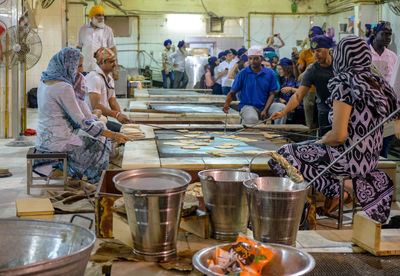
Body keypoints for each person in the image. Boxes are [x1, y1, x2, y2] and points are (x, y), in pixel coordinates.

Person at [269, 36, 400, 223]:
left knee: (282, 156)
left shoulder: (345, 85)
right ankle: (340, 191)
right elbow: (397, 118)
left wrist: (320, 141)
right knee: (307, 148)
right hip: (369, 160)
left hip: (346, 158)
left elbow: (338, 136)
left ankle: (333, 193)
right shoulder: (378, 83)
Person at [35, 47, 131, 183]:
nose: (80, 70)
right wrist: (113, 135)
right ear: (67, 64)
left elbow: (80, 110)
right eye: (78, 66)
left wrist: (95, 119)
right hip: (59, 143)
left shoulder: (45, 81)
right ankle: (98, 181)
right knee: (99, 145)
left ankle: (86, 176)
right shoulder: (64, 87)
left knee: (98, 130)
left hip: (44, 139)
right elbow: (82, 123)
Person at [272, 35, 334, 137]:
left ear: (328, 49)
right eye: (313, 52)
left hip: (343, 108)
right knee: (326, 141)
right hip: (324, 109)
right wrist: (283, 112)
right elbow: (298, 96)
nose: (315, 55)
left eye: (318, 51)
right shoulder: (312, 70)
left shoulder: (339, 64)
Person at [223, 46, 286, 125]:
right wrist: (226, 104)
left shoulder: (270, 73)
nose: (253, 61)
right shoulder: (243, 73)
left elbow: (272, 94)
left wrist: (265, 110)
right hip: (248, 106)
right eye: (250, 58)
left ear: (262, 59)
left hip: (266, 105)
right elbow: (232, 92)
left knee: (282, 108)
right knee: (251, 118)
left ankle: (279, 132)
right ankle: (247, 134)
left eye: (256, 58)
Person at [369, 22, 398, 158]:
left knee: (386, 139)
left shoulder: (392, 56)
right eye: (385, 34)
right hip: (371, 104)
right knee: (372, 139)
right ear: (375, 34)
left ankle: (384, 165)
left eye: (389, 35)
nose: (388, 37)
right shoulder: (366, 53)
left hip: (388, 104)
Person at [85, 47, 131, 132]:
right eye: (111, 62)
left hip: (102, 118)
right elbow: (96, 106)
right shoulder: (94, 78)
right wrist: (116, 115)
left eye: (115, 61)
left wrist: (121, 117)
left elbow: (112, 102)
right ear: (102, 62)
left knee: (124, 129)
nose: (115, 64)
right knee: (122, 133)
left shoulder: (109, 78)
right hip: (91, 121)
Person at [295, 26, 325, 130]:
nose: (312, 39)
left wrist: (308, 70)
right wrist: (298, 66)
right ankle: (311, 140)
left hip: (324, 90)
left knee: (324, 119)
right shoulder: (305, 53)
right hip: (310, 90)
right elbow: (299, 75)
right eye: (310, 37)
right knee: (310, 121)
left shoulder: (328, 51)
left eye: (315, 36)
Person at [77, 5, 118, 79]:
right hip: (85, 68)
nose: (101, 18)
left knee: (101, 89)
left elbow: (113, 50)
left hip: (102, 69)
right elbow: (79, 48)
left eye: (102, 15)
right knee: (84, 89)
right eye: (98, 15)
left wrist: (115, 70)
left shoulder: (107, 30)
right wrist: (76, 67)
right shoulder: (82, 29)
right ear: (92, 17)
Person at [276, 58, 305, 124]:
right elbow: (279, 93)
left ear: (287, 69)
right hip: (285, 108)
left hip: (297, 109)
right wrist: (280, 99)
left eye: (280, 69)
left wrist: (291, 89)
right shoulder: (281, 79)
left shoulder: (295, 79)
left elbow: (303, 91)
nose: (278, 71)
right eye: (277, 69)